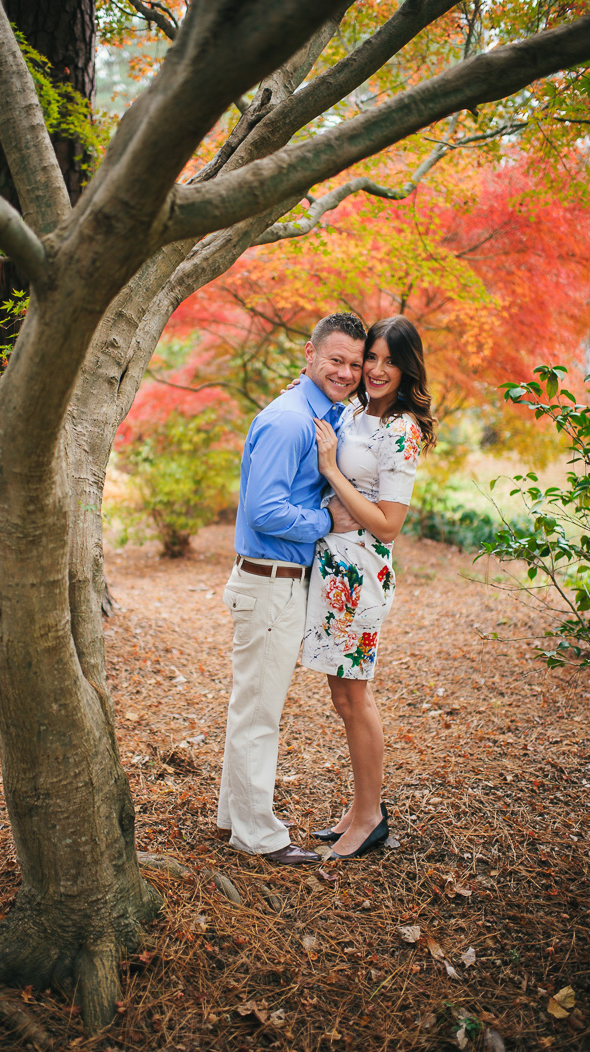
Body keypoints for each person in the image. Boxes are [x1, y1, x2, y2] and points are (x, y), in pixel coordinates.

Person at [218, 313, 367, 865]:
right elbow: (264, 511)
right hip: (269, 583)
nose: (347, 372)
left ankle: (235, 817)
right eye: (336, 360)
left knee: (251, 707)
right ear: (310, 354)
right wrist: (327, 520)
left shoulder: (319, 413)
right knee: (259, 713)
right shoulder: (289, 421)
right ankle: (258, 835)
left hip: (278, 584)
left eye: (355, 363)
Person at [302, 315, 436, 860]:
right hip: (334, 568)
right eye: (369, 359)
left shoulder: (400, 430)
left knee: (354, 695)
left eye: (388, 361)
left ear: (406, 368)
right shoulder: (357, 411)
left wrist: (333, 472)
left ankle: (370, 818)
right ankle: (359, 809)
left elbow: (388, 524)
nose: (376, 370)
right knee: (342, 694)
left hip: (362, 571)